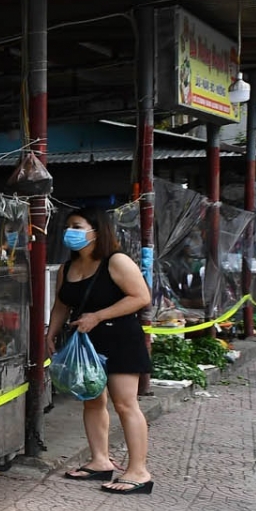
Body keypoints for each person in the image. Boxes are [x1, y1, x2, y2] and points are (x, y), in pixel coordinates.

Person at [47, 208, 154, 494]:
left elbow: (141, 297)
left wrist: (98, 315)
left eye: (77, 226)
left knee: (125, 404)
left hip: (119, 338)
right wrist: (51, 333)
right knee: (92, 400)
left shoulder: (116, 261)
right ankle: (99, 461)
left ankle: (139, 471)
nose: (71, 232)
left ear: (96, 231)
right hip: (84, 342)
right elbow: (61, 304)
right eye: (69, 226)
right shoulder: (66, 268)